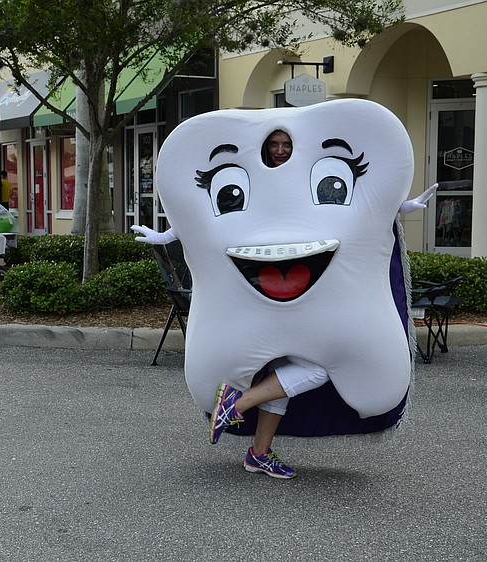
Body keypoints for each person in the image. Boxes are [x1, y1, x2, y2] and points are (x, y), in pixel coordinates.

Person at [132, 128, 437, 479]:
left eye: (286, 144)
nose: (280, 150)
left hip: (305, 301)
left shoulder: (308, 171)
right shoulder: (253, 175)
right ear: (264, 146)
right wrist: (166, 236)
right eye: (274, 144)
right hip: (256, 299)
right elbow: (209, 218)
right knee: (316, 369)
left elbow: (357, 209)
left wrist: (400, 206)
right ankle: (240, 405)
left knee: (291, 373)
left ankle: (257, 450)